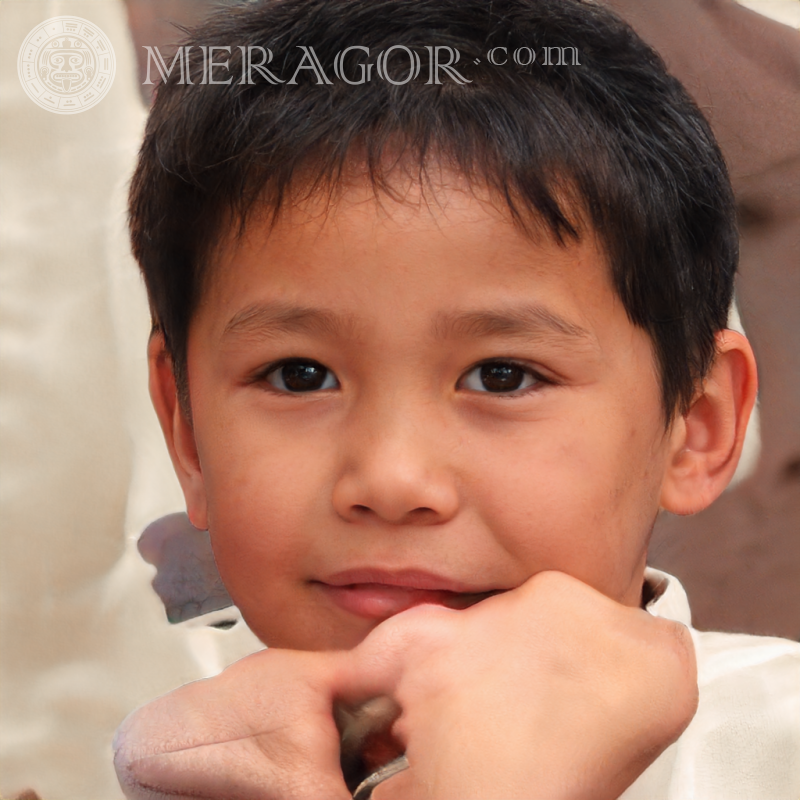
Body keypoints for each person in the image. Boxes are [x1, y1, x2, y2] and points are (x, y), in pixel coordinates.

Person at [112, 0, 800, 797]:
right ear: (188, 430)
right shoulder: (168, 771)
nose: (394, 482)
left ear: (697, 426)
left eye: (502, 376)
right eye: (299, 375)